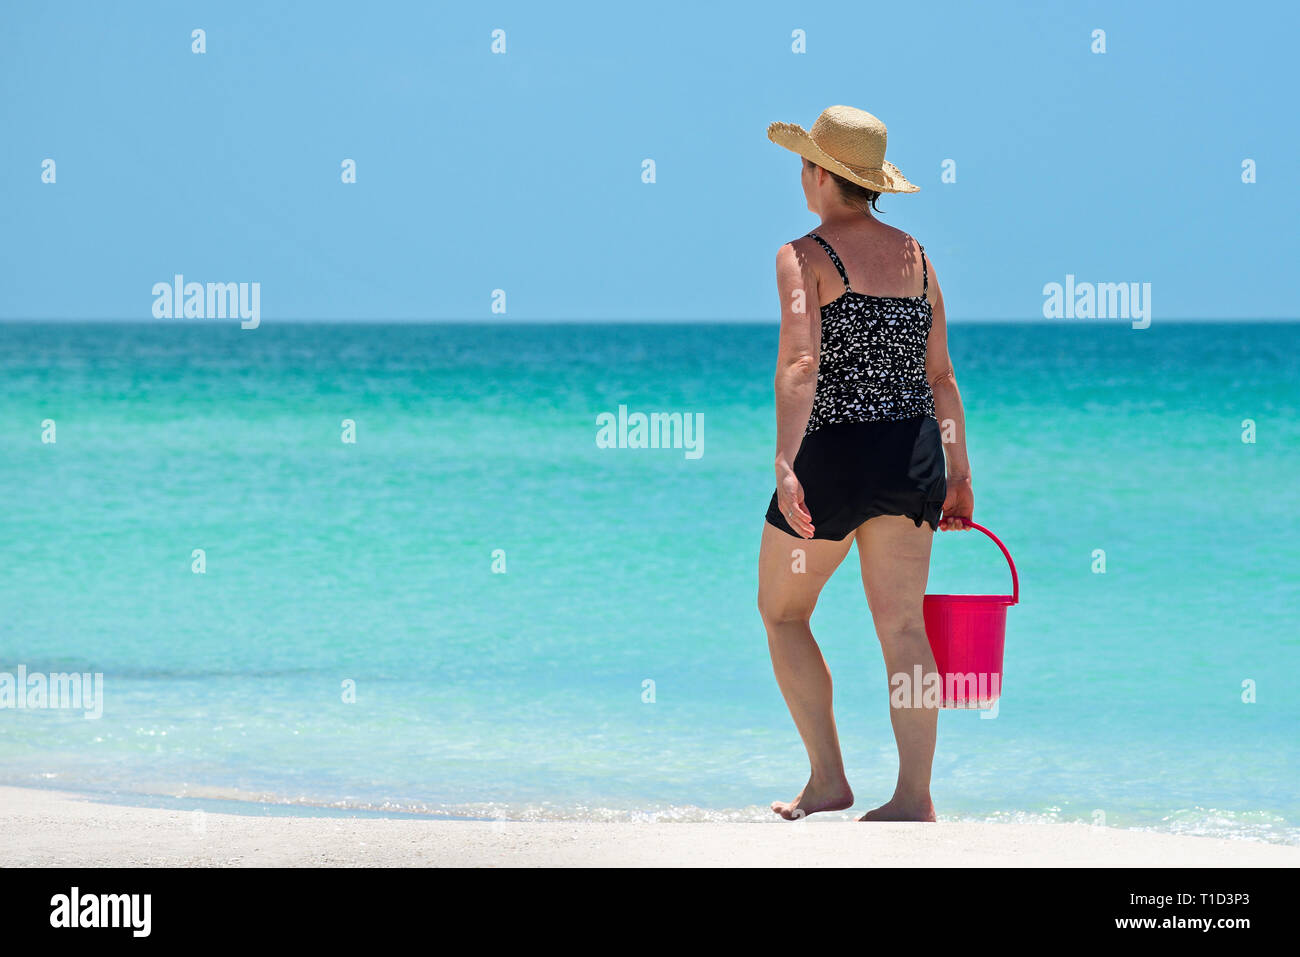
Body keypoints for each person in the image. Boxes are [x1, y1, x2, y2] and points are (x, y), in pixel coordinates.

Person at [757, 105, 975, 822]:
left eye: (804, 164)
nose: (800, 175)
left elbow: (800, 362)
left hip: (835, 457)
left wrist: (786, 462)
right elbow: (941, 376)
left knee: (783, 612)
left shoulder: (804, 255)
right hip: (910, 457)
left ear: (821, 174)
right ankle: (914, 795)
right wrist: (960, 472)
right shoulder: (918, 257)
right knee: (904, 627)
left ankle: (828, 778)